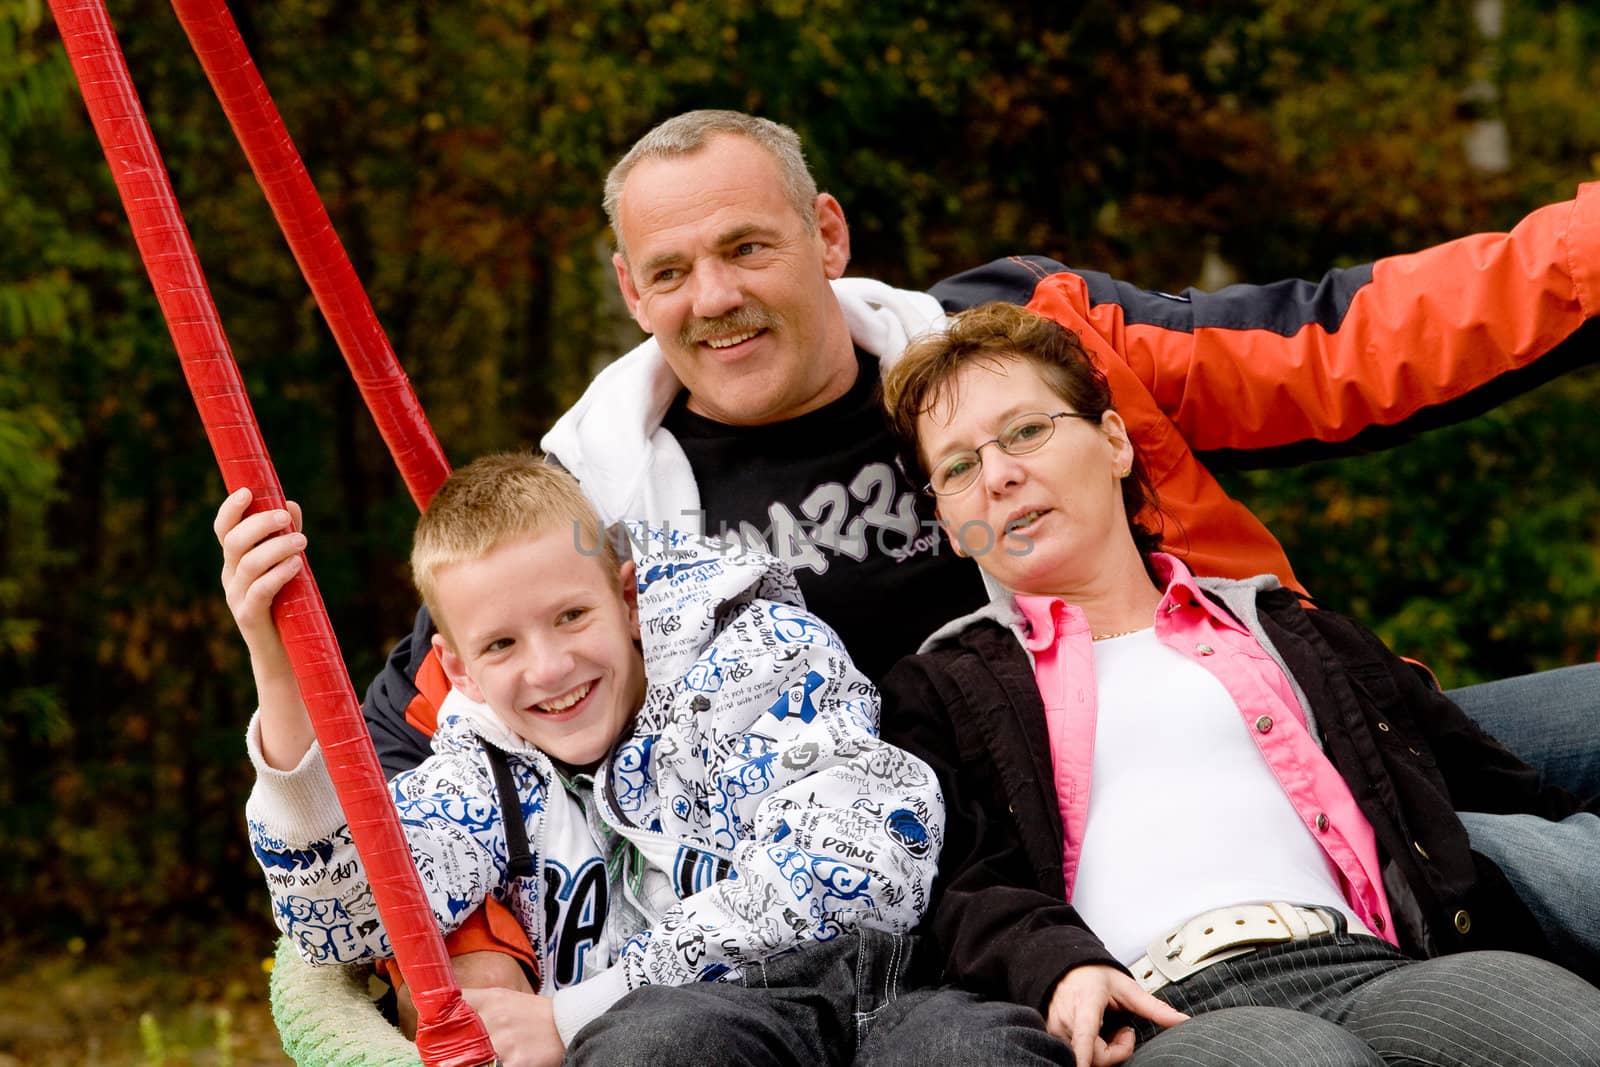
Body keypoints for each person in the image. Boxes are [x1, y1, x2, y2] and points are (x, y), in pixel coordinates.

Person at [353, 111, 1598, 993]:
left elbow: (1338, 342)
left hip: (1228, 744)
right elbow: (425, 757)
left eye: (746, 247)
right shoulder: (584, 512)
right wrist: (488, 969)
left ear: (827, 234)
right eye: (671, 270)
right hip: (939, 875)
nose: (713, 295)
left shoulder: (1014, 351)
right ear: (632, 292)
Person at [876, 301, 1600, 1066]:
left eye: (1025, 430)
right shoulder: (938, 691)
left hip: (1374, 959)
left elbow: (1496, 787)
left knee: (1543, 1017)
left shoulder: (1290, 630)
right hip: (1168, 1009)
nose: (998, 474)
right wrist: (1052, 962)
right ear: (953, 528)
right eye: (957, 467)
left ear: (1115, 441)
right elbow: (953, 883)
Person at [223, 454, 1037, 1064]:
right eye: (501, 643)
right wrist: (279, 671)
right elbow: (350, 915)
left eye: (571, 616)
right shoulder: (482, 766)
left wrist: (568, 1015)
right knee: (651, 1050)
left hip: (875, 991)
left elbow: (855, 865)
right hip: (672, 1040)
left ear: (626, 597)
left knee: (975, 1051)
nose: (549, 668)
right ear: (459, 668)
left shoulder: (755, 659)